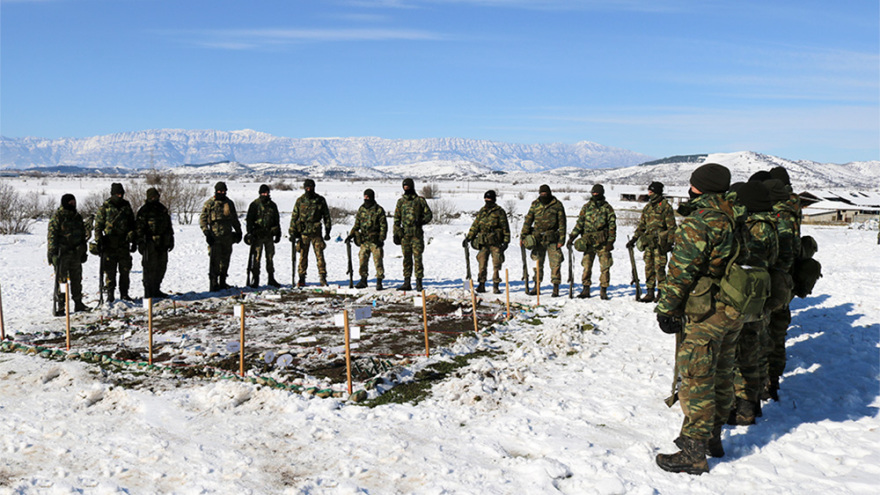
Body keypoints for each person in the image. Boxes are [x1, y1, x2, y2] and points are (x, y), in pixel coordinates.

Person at [654, 163, 745, 475]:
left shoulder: (700, 221)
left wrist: (667, 308)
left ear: (698, 188)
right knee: (721, 374)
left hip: (707, 310)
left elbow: (681, 271)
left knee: (697, 378)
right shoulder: (734, 214)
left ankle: (694, 452)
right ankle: (712, 438)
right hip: (732, 307)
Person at [728, 181, 778, 425]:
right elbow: (774, 259)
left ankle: (740, 407)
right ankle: (751, 405)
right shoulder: (771, 226)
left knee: (737, 354)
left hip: (739, 295)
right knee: (753, 350)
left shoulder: (743, 225)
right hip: (761, 296)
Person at [763, 171, 801, 402]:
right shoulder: (792, 208)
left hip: (774, 283)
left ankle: (769, 382)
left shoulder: (779, 216)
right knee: (777, 334)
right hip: (784, 282)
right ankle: (771, 381)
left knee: (769, 334)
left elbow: (785, 254)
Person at [628, 181, 676, 302]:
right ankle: (650, 292)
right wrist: (634, 239)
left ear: (657, 192)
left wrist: (670, 242)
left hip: (660, 244)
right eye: (649, 191)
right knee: (648, 267)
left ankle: (661, 292)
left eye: (651, 191)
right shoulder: (647, 207)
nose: (649, 193)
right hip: (648, 243)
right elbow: (642, 226)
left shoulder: (666, 207)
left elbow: (671, 227)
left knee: (660, 268)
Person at [567, 184, 616, 300]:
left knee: (605, 267)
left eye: (597, 193)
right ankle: (586, 289)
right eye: (593, 193)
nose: (595, 194)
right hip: (588, 242)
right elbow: (580, 223)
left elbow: (612, 226)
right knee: (586, 266)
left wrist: (610, 242)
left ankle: (603, 290)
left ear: (601, 193)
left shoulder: (607, 208)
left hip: (603, 243)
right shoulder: (586, 207)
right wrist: (572, 236)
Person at [521, 184, 566, 297]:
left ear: (549, 193)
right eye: (542, 194)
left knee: (555, 263)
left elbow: (562, 223)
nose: (543, 195)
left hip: (553, 239)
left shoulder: (557, 205)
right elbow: (528, 221)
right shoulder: (535, 204)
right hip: (538, 240)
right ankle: (536, 286)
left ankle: (555, 287)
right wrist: (523, 236)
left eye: (545, 194)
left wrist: (562, 240)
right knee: (537, 263)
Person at [94, 183, 136, 302]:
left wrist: (133, 240)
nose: (120, 196)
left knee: (125, 270)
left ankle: (124, 294)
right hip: (109, 245)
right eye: (118, 194)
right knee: (110, 271)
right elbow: (98, 226)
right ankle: (110, 294)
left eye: (121, 193)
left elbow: (132, 223)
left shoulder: (126, 206)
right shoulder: (105, 207)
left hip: (123, 244)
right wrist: (99, 241)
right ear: (112, 194)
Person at [47, 194, 88, 314]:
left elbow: (82, 234)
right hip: (62, 254)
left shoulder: (77, 217)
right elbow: (52, 236)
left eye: (74, 202)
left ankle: (78, 303)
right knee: (62, 281)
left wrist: (83, 251)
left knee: (76, 280)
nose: (73, 204)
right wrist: (52, 253)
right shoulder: (58, 217)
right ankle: (61, 305)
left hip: (76, 253)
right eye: (70, 202)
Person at [464, 190, 511, 294]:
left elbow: (505, 228)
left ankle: (496, 285)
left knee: (496, 265)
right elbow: (475, 226)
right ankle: (481, 284)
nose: (487, 200)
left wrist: (506, 242)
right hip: (483, 243)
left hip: (495, 243)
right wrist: (468, 238)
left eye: (489, 199)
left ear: (493, 199)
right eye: (486, 198)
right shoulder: (482, 211)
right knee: (482, 264)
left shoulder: (499, 212)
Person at [199, 181, 242, 291]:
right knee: (215, 261)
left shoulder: (229, 203)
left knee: (225, 260)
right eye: (219, 191)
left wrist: (239, 231)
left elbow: (234, 219)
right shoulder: (210, 204)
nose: (221, 193)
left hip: (227, 237)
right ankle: (214, 283)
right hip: (215, 237)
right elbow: (203, 220)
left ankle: (223, 282)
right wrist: (206, 232)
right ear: (216, 191)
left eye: (223, 191)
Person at [289, 179, 332, 287]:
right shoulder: (300, 200)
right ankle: (301, 277)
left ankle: (322, 277)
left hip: (316, 233)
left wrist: (327, 231)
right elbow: (294, 217)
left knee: (320, 256)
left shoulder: (320, 200)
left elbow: (326, 216)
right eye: (307, 188)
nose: (309, 189)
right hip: (303, 233)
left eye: (311, 187)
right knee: (303, 257)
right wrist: (292, 232)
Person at [393, 178, 433, 291]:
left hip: (416, 235)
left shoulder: (419, 201)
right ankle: (407, 282)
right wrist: (396, 233)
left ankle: (419, 282)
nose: (406, 188)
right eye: (404, 186)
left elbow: (429, 215)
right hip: (405, 235)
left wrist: (421, 221)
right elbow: (396, 219)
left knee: (418, 259)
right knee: (406, 259)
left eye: (408, 186)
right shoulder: (401, 202)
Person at [135, 187, 174, 298]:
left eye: (156, 197)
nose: (154, 199)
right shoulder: (144, 211)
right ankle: (148, 291)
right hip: (150, 244)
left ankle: (156, 289)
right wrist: (140, 242)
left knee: (161, 267)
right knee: (149, 268)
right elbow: (139, 228)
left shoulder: (162, 209)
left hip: (163, 243)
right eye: (152, 197)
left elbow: (168, 225)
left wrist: (171, 239)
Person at [346, 188, 388, 290]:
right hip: (364, 240)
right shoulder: (362, 209)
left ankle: (379, 280)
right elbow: (357, 224)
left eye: (368, 197)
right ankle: (363, 280)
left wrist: (381, 238)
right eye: (364, 196)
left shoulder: (378, 210)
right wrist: (351, 235)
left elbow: (383, 226)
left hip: (375, 241)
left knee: (378, 261)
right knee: (362, 260)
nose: (366, 198)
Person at [245, 184, 281, 288]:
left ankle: (271, 278)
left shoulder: (272, 205)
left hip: (269, 236)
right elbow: (249, 221)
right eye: (263, 193)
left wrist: (278, 233)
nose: (265, 195)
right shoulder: (254, 205)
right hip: (258, 236)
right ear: (260, 193)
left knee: (270, 257)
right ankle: (255, 279)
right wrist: (250, 233)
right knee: (256, 258)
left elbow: (277, 220)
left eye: (266, 193)